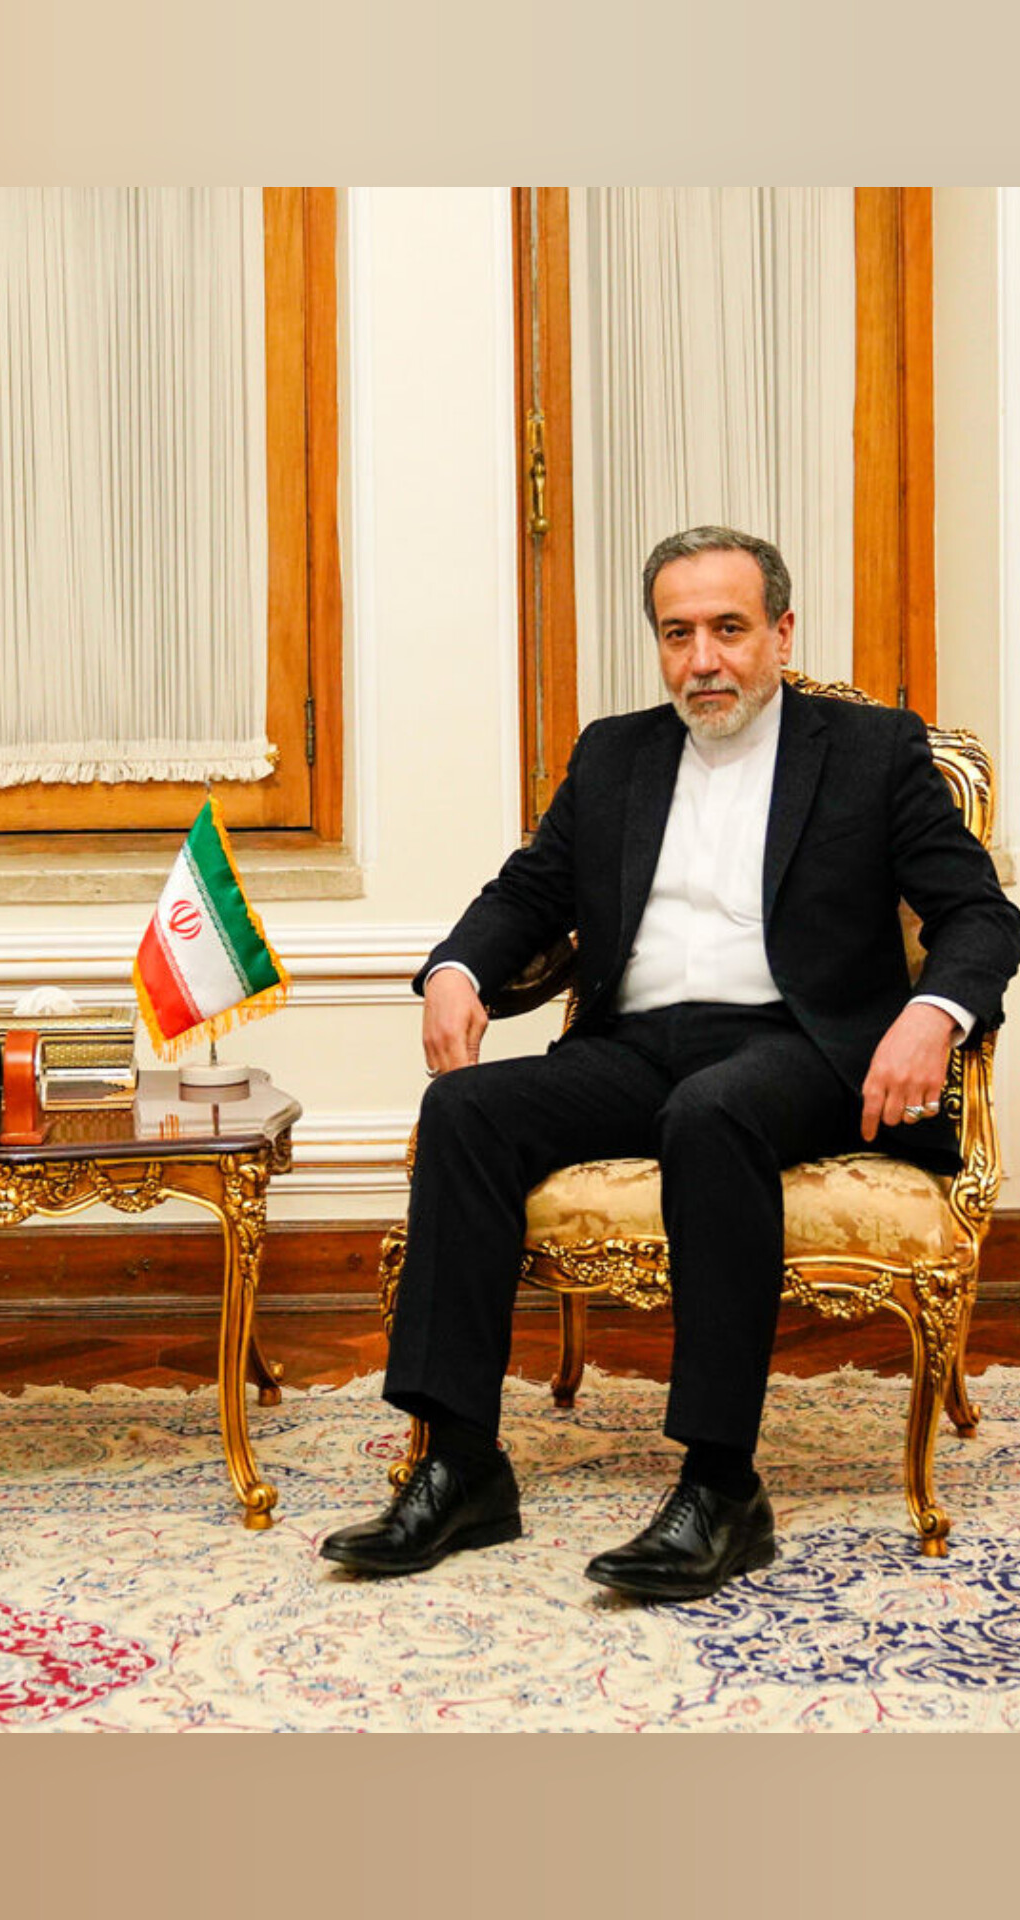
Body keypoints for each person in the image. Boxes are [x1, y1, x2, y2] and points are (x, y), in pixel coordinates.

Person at [321, 526, 1020, 1601]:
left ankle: (721, 1487)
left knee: (714, 1110)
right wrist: (456, 970)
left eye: (729, 629)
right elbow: (529, 891)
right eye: (678, 633)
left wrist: (933, 1014)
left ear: (781, 633)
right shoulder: (616, 754)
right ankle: (461, 1465)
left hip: (802, 1047)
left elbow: (979, 914)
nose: (704, 660)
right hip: (636, 1045)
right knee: (467, 1111)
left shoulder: (872, 750)